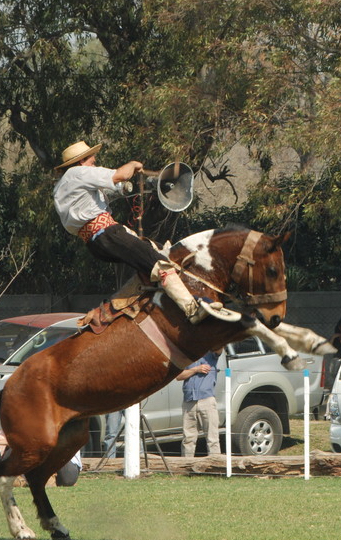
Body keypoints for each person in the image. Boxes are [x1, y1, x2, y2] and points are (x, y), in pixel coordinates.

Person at [52, 140, 236, 324]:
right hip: (107, 232)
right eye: (90, 158)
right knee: (160, 264)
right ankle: (192, 310)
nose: (94, 160)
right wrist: (132, 165)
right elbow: (120, 175)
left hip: (96, 240)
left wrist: (123, 187)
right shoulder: (79, 173)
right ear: (80, 162)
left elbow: (101, 196)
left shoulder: (62, 185)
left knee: (156, 253)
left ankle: (127, 306)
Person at [176, 349, 222, 458]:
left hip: (207, 400)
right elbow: (178, 376)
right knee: (188, 438)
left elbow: (220, 348)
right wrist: (196, 369)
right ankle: (186, 468)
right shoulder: (186, 356)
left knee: (212, 438)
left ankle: (216, 466)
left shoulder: (211, 354)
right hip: (189, 401)